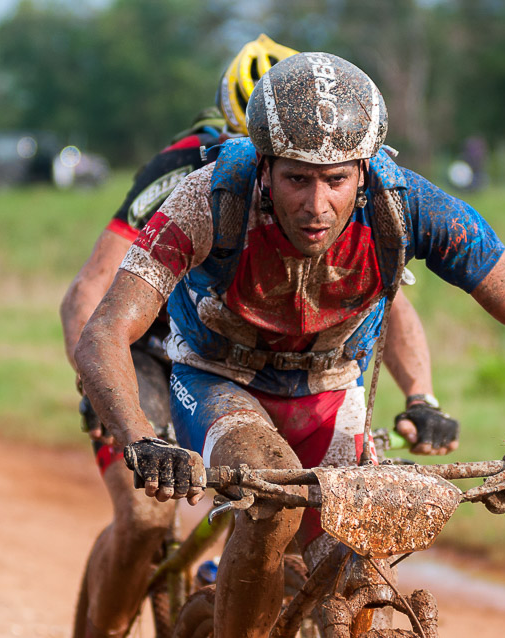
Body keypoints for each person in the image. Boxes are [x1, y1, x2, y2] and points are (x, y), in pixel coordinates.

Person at [75, 52, 505, 638]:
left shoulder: (407, 205)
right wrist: (141, 438)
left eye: (336, 180)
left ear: (364, 170)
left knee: (356, 542)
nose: (316, 204)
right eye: (296, 178)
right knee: (269, 503)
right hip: (217, 378)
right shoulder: (207, 199)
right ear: (264, 166)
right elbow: (106, 327)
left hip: (329, 384)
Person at [60, 36, 456, 638]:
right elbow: (91, 295)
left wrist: (421, 394)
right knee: (145, 516)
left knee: (298, 513)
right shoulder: (182, 174)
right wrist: (101, 390)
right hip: (149, 352)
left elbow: (383, 301)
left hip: (257, 363)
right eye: (285, 164)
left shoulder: (355, 200)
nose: (304, 192)